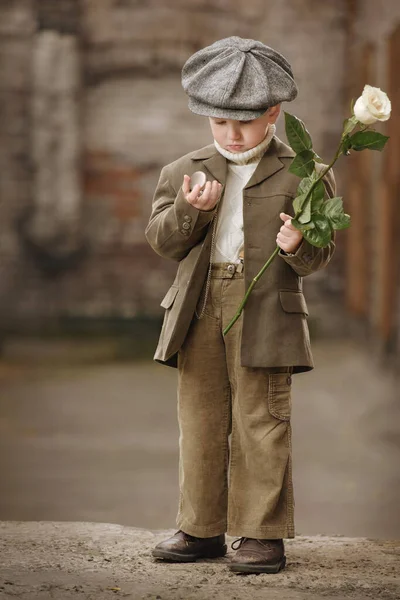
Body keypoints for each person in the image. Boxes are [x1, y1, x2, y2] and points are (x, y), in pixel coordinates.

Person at [145, 36, 336, 574]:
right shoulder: (185, 168)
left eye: (245, 123)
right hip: (200, 306)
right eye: (219, 123)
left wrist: (300, 245)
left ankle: (261, 533)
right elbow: (162, 241)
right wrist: (190, 210)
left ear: (274, 112)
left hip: (266, 307)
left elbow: (321, 253)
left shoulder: (308, 173)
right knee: (201, 417)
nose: (231, 135)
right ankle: (201, 528)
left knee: (262, 419)